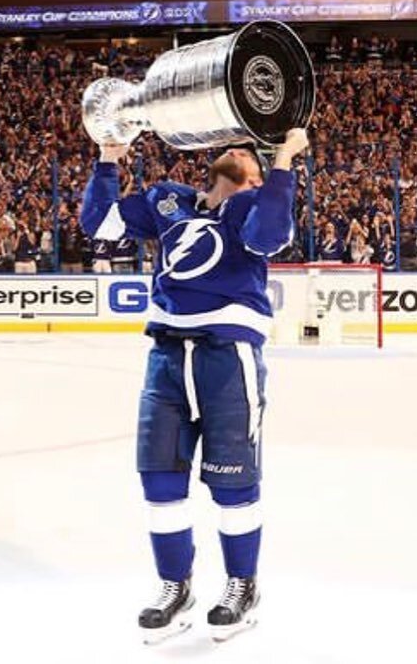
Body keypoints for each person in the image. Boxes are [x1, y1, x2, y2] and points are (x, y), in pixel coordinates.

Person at [81, 128, 309, 643]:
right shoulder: (170, 200)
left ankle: (241, 587)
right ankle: (174, 587)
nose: (238, 149)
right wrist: (108, 160)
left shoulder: (252, 205)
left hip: (226, 356)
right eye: (234, 147)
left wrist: (283, 163)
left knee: (233, 484)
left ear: (254, 176)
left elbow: (269, 236)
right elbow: (100, 222)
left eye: (249, 155)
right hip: (165, 355)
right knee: (159, 484)